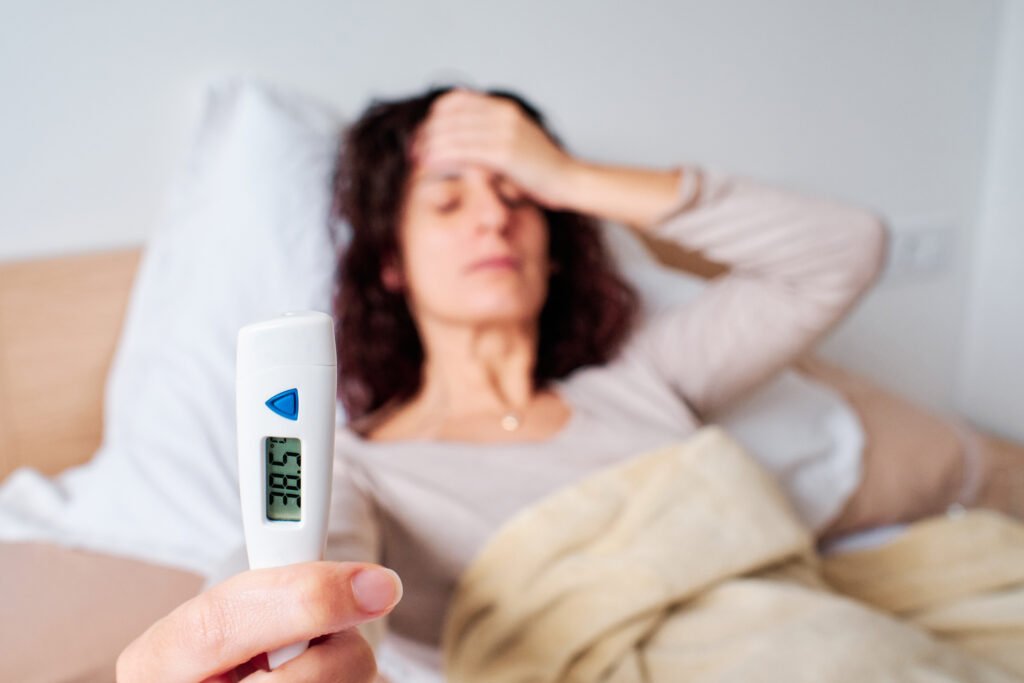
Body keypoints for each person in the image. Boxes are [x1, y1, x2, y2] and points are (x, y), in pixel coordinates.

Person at [119, 84, 887, 680]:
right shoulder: (358, 469)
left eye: (519, 198)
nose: (492, 218)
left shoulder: (643, 377)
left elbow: (844, 250)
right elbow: (294, 573)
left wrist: (569, 176)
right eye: (450, 199)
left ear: (556, 247)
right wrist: (232, 636)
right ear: (391, 263)